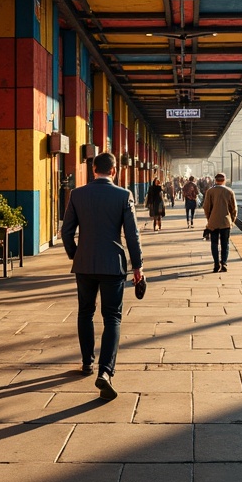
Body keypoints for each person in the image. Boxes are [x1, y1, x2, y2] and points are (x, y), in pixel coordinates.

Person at [61, 151, 144, 399]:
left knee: (85, 312)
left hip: (84, 264)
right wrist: (138, 266)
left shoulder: (77, 194)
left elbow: (66, 232)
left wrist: (76, 254)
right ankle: (105, 372)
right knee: (112, 318)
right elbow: (132, 234)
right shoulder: (123, 195)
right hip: (113, 264)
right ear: (115, 171)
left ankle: (87, 362)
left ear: (93, 169)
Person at [202, 172, 237, 273]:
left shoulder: (210, 191)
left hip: (213, 222)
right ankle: (224, 263)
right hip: (225, 222)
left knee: (214, 243)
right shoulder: (230, 191)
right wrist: (232, 220)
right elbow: (233, 208)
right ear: (224, 180)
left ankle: (216, 264)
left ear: (215, 180)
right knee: (225, 243)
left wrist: (209, 219)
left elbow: (206, 207)